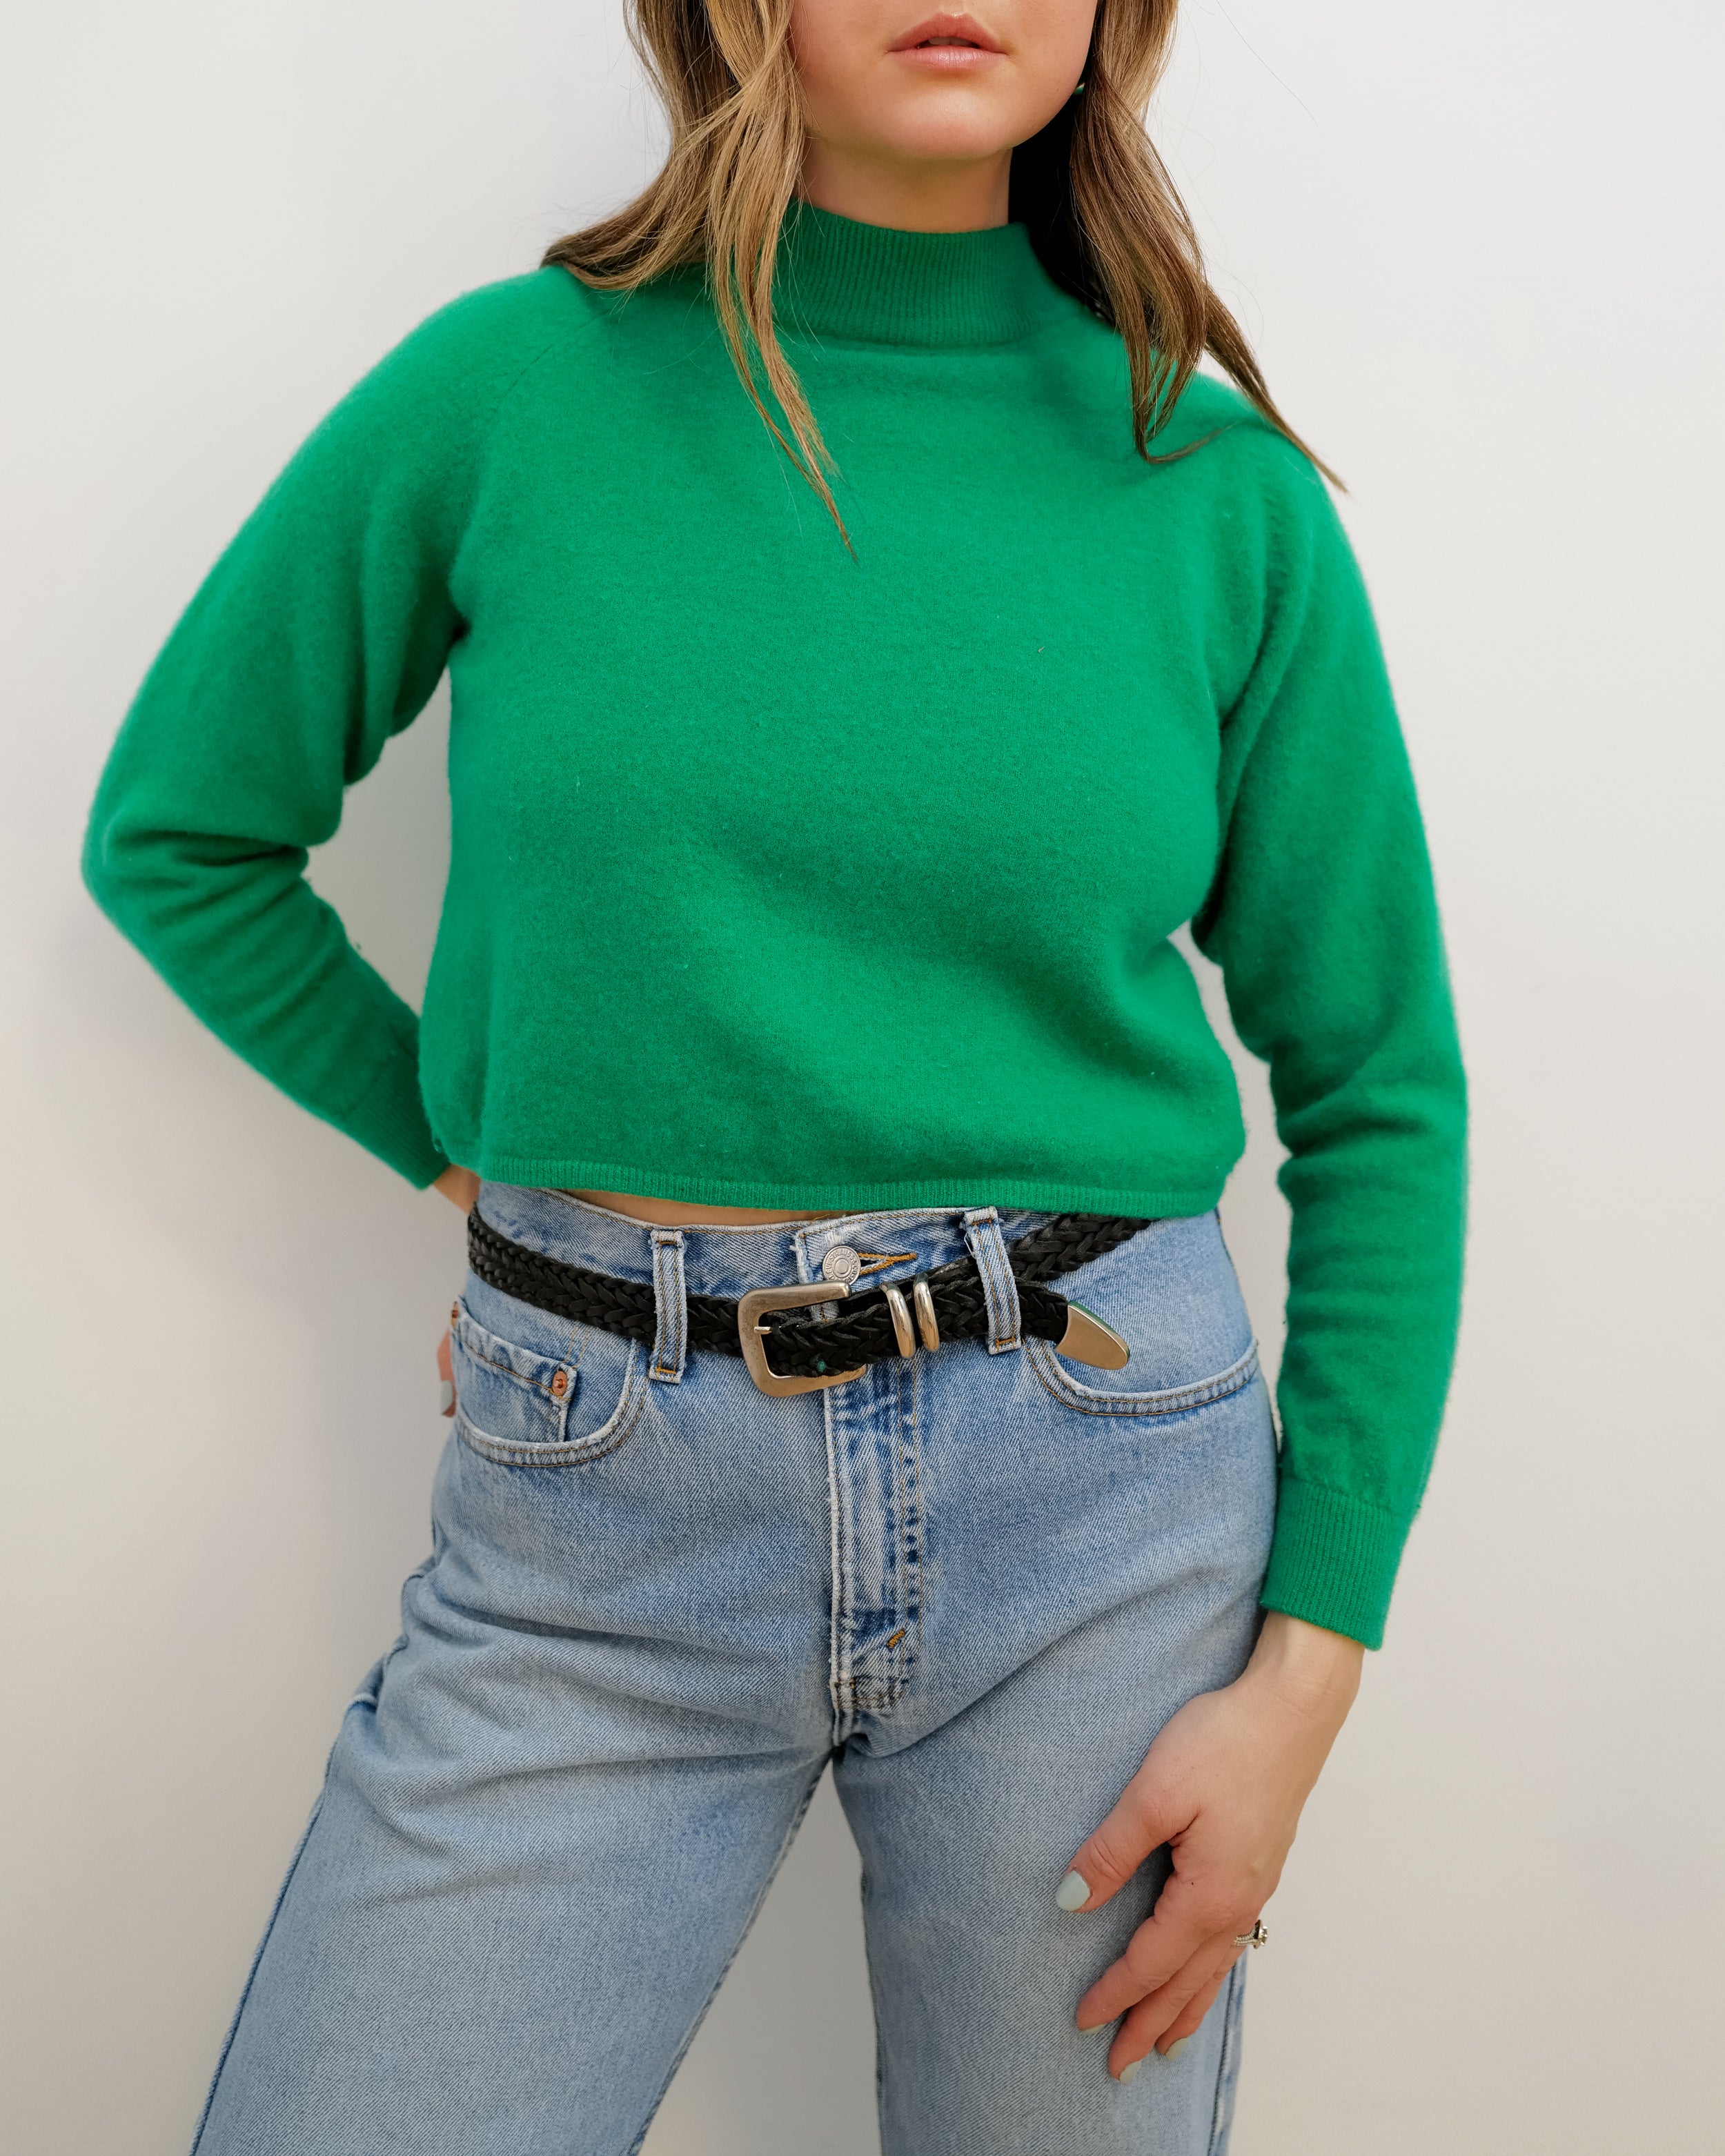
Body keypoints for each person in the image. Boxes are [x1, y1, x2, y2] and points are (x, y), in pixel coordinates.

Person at [82, 0, 1466, 2148]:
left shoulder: (1213, 488)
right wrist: (475, 1165)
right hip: (596, 1515)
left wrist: (1307, 1669)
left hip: (1103, 1513)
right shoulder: (510, 393)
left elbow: (1380, 1089)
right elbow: (183, 837)